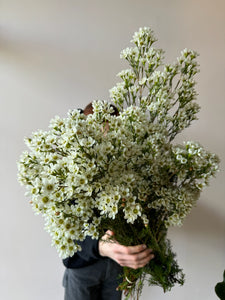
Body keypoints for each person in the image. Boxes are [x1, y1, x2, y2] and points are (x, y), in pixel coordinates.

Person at [62, 102, 154, 300]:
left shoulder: (129, 167)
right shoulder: (70, 171)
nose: (104, 142)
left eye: (110, 133)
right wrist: (102, 246)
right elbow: (65, 232)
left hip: (117, 267)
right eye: (97, 133)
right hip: (83, 267)